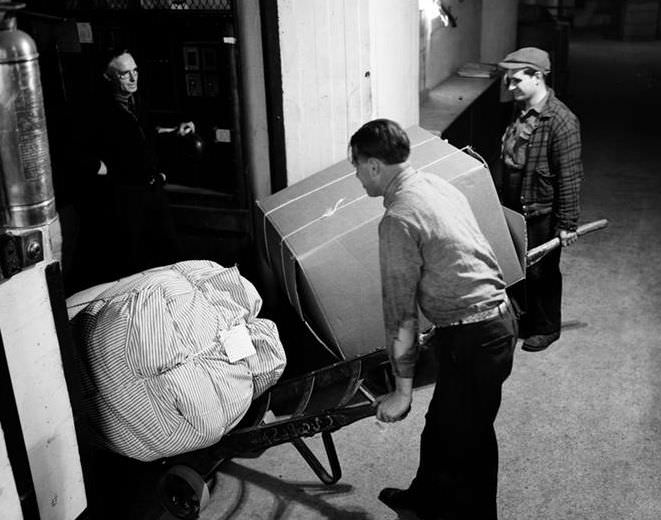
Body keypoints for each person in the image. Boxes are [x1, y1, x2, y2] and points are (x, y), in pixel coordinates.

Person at [349, 119, 518, 520]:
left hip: (476, 336)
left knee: (469, 441)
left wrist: (402, 392)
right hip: (493, 324)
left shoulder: (399, 218)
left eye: (356, 166)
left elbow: (400, 314)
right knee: (443, 426)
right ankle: (424, 498)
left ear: (374, 166)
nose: (356, 176)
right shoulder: (437, 185)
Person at [80, 49, 192, 285]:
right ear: (109, 77)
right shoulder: (95, 110)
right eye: (125, 74)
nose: (133, 78)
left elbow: (147, 135)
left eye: (135, 71)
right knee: (134, 265)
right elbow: (77, 151)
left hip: (152, 191)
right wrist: (105, 171)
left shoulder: (137, 102)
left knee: (171, 256)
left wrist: (174, 132)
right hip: (124, 199)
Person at [498, 47, 583, 352]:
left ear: (537, 77)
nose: (510, 87)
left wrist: (567, 224)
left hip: (540, 209)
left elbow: (570, 177)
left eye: (516, 80)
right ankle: (526, 317)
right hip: (514, 202)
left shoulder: (562, 121)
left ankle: (546, 328)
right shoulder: (521, 108)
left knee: (542, 271)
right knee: (519, 266)